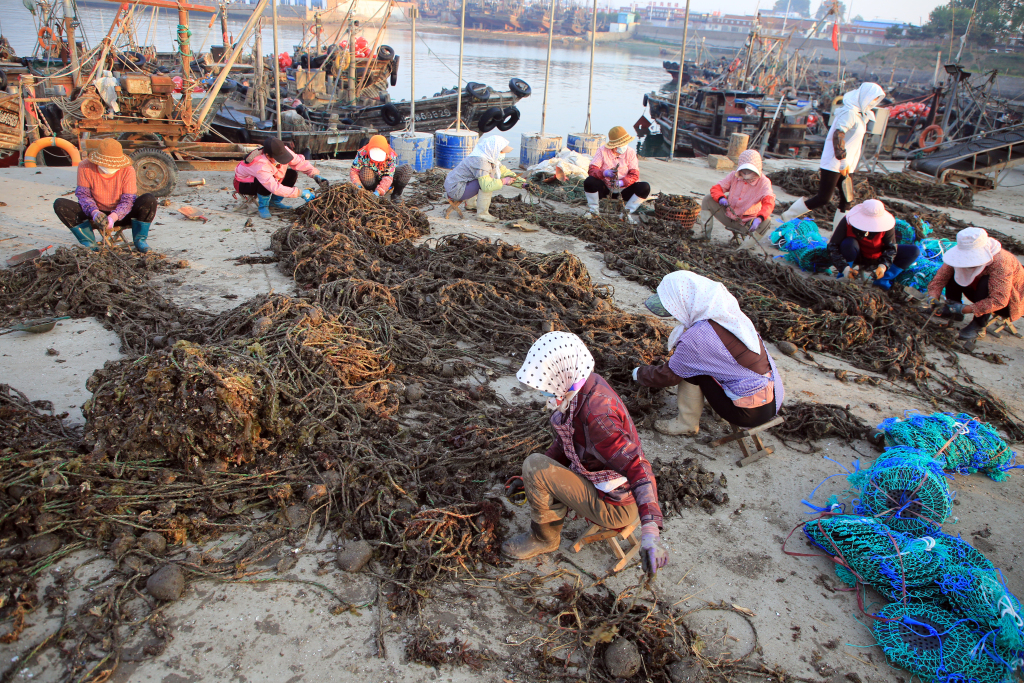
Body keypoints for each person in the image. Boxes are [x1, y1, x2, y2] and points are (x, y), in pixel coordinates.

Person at [503, 331, 668, 577]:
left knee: (535, 465)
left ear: (562, 375)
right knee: (536, 468)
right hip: (602, 484)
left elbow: (638, 467)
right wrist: (527, 481)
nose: (544, 393)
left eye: (546, 386)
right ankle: (541, 498)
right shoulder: (584, 385)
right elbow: (566, 444)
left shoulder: (598, 417)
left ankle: (544, 538)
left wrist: (650, 533)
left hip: (617, 506)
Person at [634, 271, 784, 435]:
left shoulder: (698, 338)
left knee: (690, 371)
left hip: (748, 414)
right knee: (710, 365)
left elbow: (668, 376)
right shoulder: (730, 316)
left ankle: (686, 424)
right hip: (772, 401)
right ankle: (719, 405)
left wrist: (638, 373)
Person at [782, 82, 886, 229]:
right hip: (835, 162)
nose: (874, 102)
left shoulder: (860, 114)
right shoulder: (849, 112)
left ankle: (838, 233)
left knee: (847, 199)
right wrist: (842, 158)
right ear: (864, 96)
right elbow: (839, 134)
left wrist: (847, 162)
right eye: (873, 98)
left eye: (876, 99)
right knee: (823, 198)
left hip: (848, 165)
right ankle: (790, 214)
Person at [53, 138, 157, 253]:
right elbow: (83, 195)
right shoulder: (84, 166)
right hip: (93, 213)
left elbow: (128, 200)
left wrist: (114, 217)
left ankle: (140, 240)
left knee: (149, 200)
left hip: (121, 215)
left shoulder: (128, 170)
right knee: (60, 204)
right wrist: (94, 212)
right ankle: (89, 243)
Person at [927, 227, 1024, 340]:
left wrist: (964, 309)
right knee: (955, 270)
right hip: (976, 292)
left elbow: (999, 300)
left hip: (1009, 302)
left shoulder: (1001, 262)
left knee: (985, 282)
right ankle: (952, 309)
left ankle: (978, 325)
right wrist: (933, 297)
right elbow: (940, 278)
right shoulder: (958, 254)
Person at [825, 199, 919, 289]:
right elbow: (832, 245)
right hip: (856, 255)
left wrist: (883, 266)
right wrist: (844, 268)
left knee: (913, 251)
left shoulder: (887, 225)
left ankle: (883, 279)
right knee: (848, 243)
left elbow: (890, 248)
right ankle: (845, 276)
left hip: (877, 256)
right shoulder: (848, 220)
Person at [233, 137, 326, 219]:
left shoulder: (283, 150)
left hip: (270, 177)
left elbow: (299, 162)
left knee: (292, 174)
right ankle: (263, 206)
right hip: (244, 184)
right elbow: (274, 187)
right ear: (268, 156)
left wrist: (314, 174)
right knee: (265, 182)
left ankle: (274, 202)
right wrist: (300, 193)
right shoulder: (260, 164)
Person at [701, 149, 775, 246]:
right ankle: (705, 236)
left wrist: (760, 218)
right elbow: (716, 188)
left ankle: (743, 249)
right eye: (744, 170)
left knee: (767, 221)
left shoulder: (764, 182)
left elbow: (769, 202)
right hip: (728, 216)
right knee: (708, 199)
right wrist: (720, 198)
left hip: (747, 224)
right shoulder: (734, 175)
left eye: (750, 170)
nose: (746, 173)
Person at [443, 135, 522, 223]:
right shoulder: (481, 161)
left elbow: (503, 171)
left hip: (453, 184)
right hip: (456, 189)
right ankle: (482, 214)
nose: (503, 154)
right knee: (487, 183)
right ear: (493, 149)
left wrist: (522, 183)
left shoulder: (486, 155)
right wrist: (503, 181)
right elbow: (486, 186)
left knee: (482, 178)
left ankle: (470, 204)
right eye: (501, 151)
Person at [583, 126, 651, 224]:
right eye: (621, 144)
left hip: (624, 189)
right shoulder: (602, 151)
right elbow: (592, 170)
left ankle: (626, 214)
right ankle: (594, 211)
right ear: (614, 145)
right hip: (605, 187)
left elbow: (634, 174)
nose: (624, 146)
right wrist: (604, 173)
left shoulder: (631, 152)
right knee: (589, 181)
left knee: (645, 187)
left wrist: (622, 182)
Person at [349, 135, 413, 205]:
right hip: (371, 178)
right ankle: (370, 191)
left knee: (407, 169)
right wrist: (357, 184)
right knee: (365, 171)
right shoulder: (362, 153)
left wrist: (379, 191)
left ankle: (396, 194)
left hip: (385, 176)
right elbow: (354, 171)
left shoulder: (391, 155)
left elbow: (388, 177)